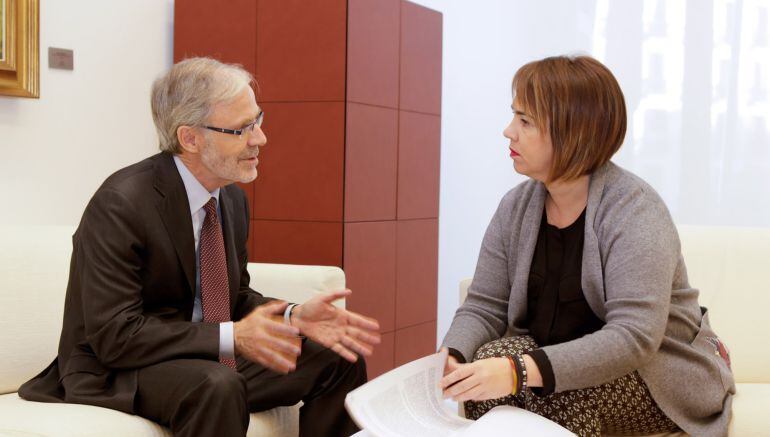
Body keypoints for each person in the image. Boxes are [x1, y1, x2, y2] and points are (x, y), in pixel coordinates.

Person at [18, 57, 381, 437]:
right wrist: (233, 337)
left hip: (198, 355)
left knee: (339, 358)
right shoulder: (121, 204)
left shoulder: (231, 200)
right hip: (118, 369)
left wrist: (292, 316)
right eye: (242, 129)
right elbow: (115, 336)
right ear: (189, 138)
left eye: (258, 121)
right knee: (217, 385)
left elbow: (234, 296)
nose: (260, 139)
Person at [439, 55, 734, 436]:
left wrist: (521, 371)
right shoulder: (516, 206)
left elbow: (634, 338)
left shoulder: (635, 209)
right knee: (485, 364)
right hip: (556, 358)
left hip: (653, 374)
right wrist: (452, 356)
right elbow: (485, 304)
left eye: (525, 121)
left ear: (571, 132)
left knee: (558, 389)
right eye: (514, 117)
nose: (508, 131)